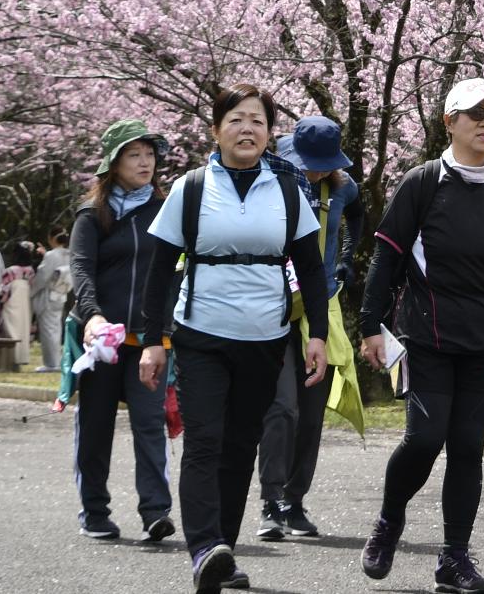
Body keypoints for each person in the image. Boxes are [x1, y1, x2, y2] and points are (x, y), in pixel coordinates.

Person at [357, 77, 484, 594]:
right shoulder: (423, 182)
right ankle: (388, 520)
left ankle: (454, 560)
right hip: (425, 336)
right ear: (450, 121)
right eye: (477, 114)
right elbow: (387, 256)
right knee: (424, 441)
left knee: (468, 447)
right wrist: (369, 326)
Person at [138, 85, 328, 594]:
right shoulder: (192, 187)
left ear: (270, 134)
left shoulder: (288, 190)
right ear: (216, 128)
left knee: (242, 442)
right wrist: (152, 339)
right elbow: (158, 270)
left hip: (266, 336)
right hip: (200, 332)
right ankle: (203, 548)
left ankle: (222, 549)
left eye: (259, 122)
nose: (248, 129)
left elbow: (310, 268)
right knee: (204, 439)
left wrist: (318, 335)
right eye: (238, 120)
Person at [256, 113, 364, 541]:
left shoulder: (342, 189)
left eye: (324, 163)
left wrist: (347, 258)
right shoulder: (271, 179)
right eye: (309, 162)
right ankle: (270, 502)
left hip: (321, 310)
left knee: (312, 413)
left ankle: (295, 501)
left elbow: (358, 216)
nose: (315, 170)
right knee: (282, 407)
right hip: (275, 308)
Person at [69, 120, 177, 545]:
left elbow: (174, 272)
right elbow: (80, 269)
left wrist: (167, 328)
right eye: (134, 155)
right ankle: (94, 510)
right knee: (95, 427)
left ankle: (156, 512)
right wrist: (92, 316)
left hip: (149, 340)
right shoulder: (92, 215)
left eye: (150, 154)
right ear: (114, 164)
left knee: (150, 425)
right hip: (102, 341)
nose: (145, 162)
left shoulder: (165, 210)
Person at [32, 227, 72, 372]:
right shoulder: (70, 254)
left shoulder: (51, 255)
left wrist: (31, 292)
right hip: (61, 293)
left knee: (48, 329)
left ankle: (51, 363)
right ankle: (57, 360)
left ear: (52, 238)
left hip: (48, 295)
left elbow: (42, 277)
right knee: (56, 328)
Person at [0, 240, 38, 370]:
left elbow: (4, 289)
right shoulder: (30, 271)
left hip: (11, 302)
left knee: (10, 329)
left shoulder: (10, 271)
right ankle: (21, 358)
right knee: (23, 329)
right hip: (25, 303)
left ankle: (10, 358)